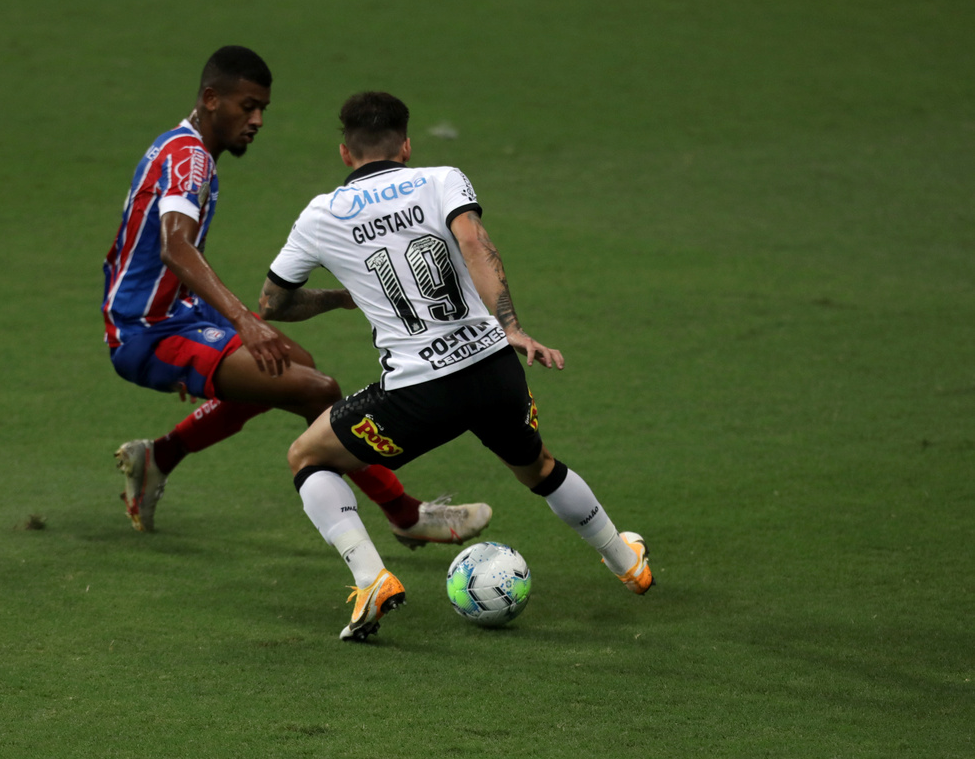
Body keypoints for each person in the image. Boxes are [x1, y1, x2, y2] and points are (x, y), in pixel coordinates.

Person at [260, 91, 654, 642]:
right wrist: (510, 326)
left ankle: (371, 578)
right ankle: (626, 563)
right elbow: (472, 241)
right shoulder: (440, 177)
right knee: (538, 466)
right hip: (493, 369)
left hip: (416, 396)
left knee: (307, 455)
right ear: (407, 145)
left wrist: (340, 297)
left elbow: (273, 305)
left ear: (346, 154)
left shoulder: (320, 215)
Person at [101, 48, 491, 546]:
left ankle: (159, 457)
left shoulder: (182, 149)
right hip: (147, 331)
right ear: (210, 99)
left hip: (175, 315)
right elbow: (175, 247)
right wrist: (246, 321)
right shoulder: (188, 159)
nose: (257, 119)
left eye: (263, 107)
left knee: (288, 367)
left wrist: (332, 298)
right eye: (247, 107)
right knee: (315, 388)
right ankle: (405, 514)